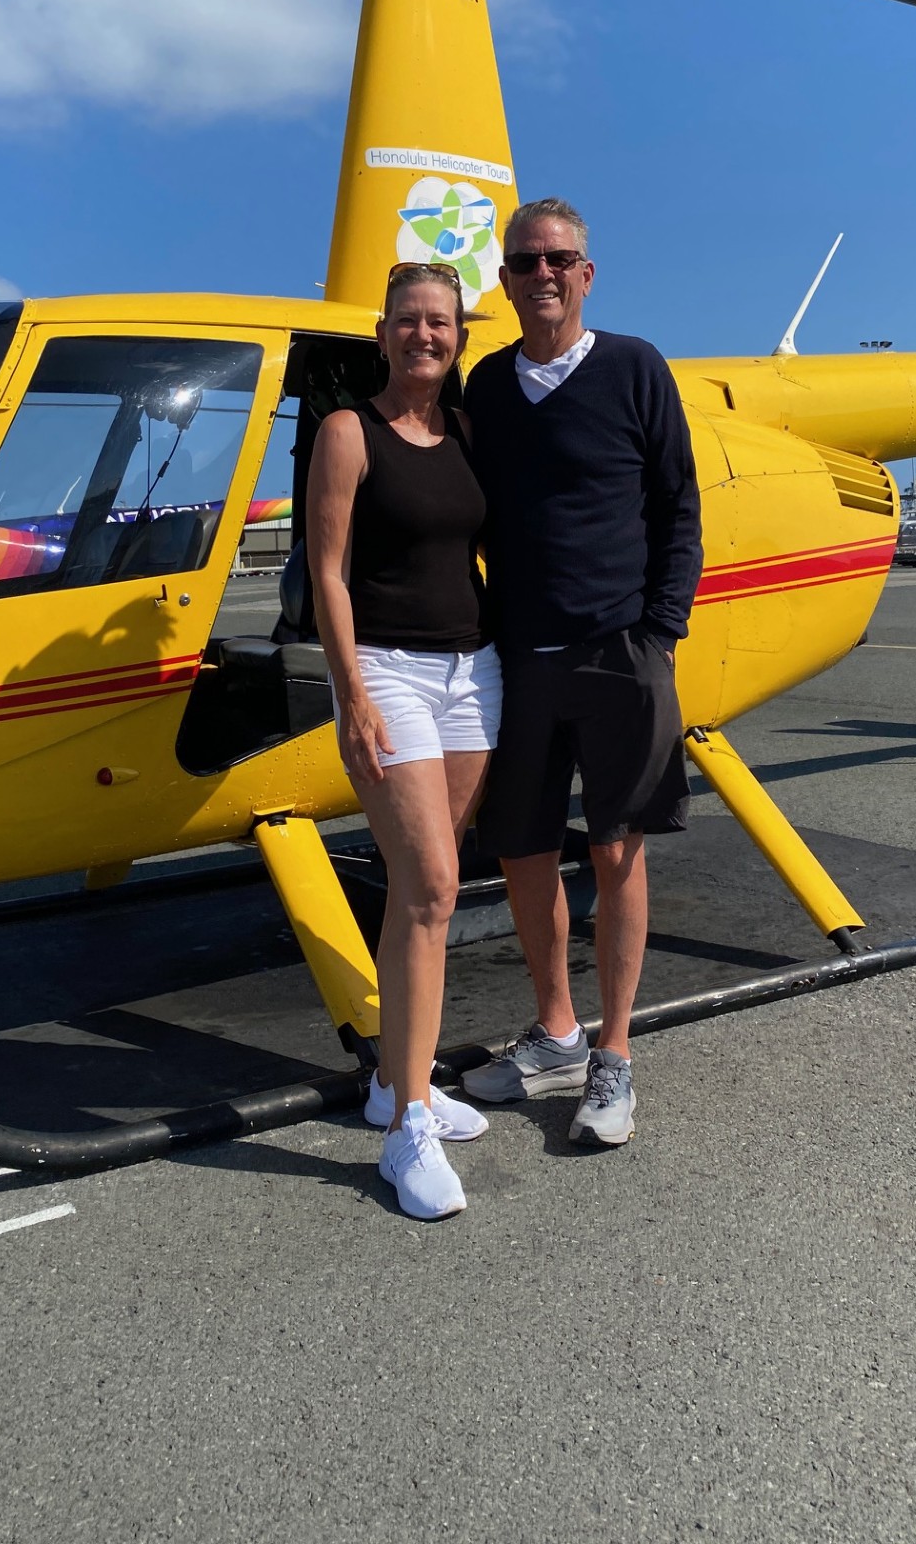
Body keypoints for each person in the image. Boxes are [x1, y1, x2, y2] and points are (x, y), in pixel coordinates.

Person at [460, 198, 701, 1145]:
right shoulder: (485, 386)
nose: (543, 274)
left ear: (586, 275)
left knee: (616, 846)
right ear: (508, 279)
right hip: (519, 655)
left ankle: (615, 1054)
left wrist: (660, 633)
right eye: (525, 262)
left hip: (619, 652)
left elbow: (677, 503)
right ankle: (556, 1030)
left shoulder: (635, 366)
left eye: (560, 259)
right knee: (521, 847)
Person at [307, 262, 502, 1221]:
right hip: (389, 670)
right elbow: (328, 571)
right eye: (409, 321)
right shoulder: (349, 432)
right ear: (382, 335)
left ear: (458, 335)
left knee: (430, 886)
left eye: (442, 322)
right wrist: (352, 693)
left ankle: (398, 1076)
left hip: (474, 673)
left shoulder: (465, 432)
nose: (427, 335)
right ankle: (406, 1129)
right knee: (429, 887)